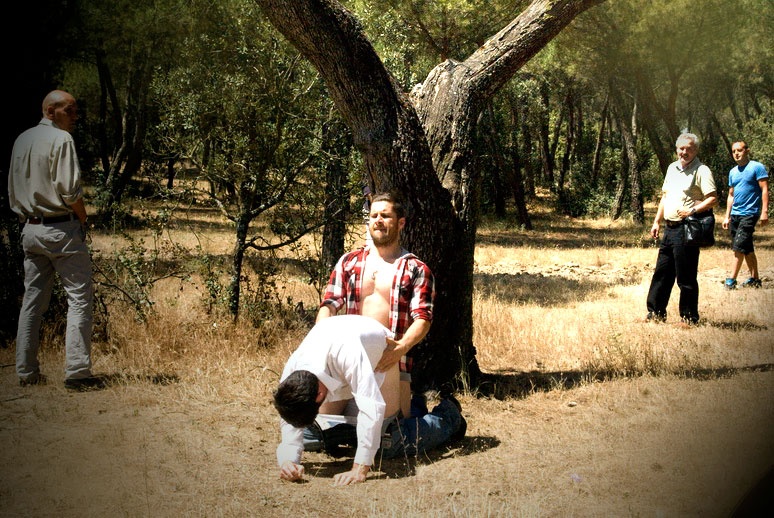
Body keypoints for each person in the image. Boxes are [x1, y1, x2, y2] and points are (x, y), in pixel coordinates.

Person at [273, 314, 465, 485]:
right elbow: (290, 417)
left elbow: (371, 408)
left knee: (389, 442)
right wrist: (289, 460)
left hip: (381, 361)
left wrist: (360, 468)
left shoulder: (347, 352)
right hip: (349, 375)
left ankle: (449, 414)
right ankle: (417, 404)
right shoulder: (293, 369)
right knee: (314, 437)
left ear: (319, 396)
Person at [7, 90, 101, 391]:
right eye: (69, 111)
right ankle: (77, 372)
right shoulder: (61, 139)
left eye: (75, 111)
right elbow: (69, 190)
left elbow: (13, 188)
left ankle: (26, 371)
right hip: (61, 229)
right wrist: (83, 217)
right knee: (79, 298)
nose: (75, 116)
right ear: (50, 111)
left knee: (32, 301)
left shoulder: (22, 139)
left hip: (30, 229)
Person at [317, 191, 435, 418]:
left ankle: (445, 416)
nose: (378, 220)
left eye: (385, 216)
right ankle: (416, 407)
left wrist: (399, 349)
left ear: (401, 223)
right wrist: (323, 337)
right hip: (348, 356)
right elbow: (329, 304)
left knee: (391, 432)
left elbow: (423, 319)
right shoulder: (349, 262)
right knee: (323, 424)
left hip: (390, 361)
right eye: (373, 216)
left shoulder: (416, 269)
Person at [644, 132, 718, 326]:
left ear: (696, 150)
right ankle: (655, 313)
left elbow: (712, 198)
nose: (684, 152)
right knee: (662, 273)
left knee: (686, 276)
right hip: (669, 228)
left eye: (689, 149)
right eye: (681, 148)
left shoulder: (702, 170)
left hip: (686, 228)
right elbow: (665, 196)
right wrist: (656, 221)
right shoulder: (672, 168)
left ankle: (689, 318)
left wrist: (692, 210)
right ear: (676, 149)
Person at [721, 141, 769, 289]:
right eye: (734, 151)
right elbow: (731, 195)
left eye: (739, 150)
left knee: (739, 246)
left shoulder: (757, 167)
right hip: (735, 214)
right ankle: (755, 279)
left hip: (750, 213)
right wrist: (727, 216)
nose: (736, 153)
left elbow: (764, 189)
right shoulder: (733, 172)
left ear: (747, 151)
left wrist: (764, 211)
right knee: (747, 248)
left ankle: (731, 280)